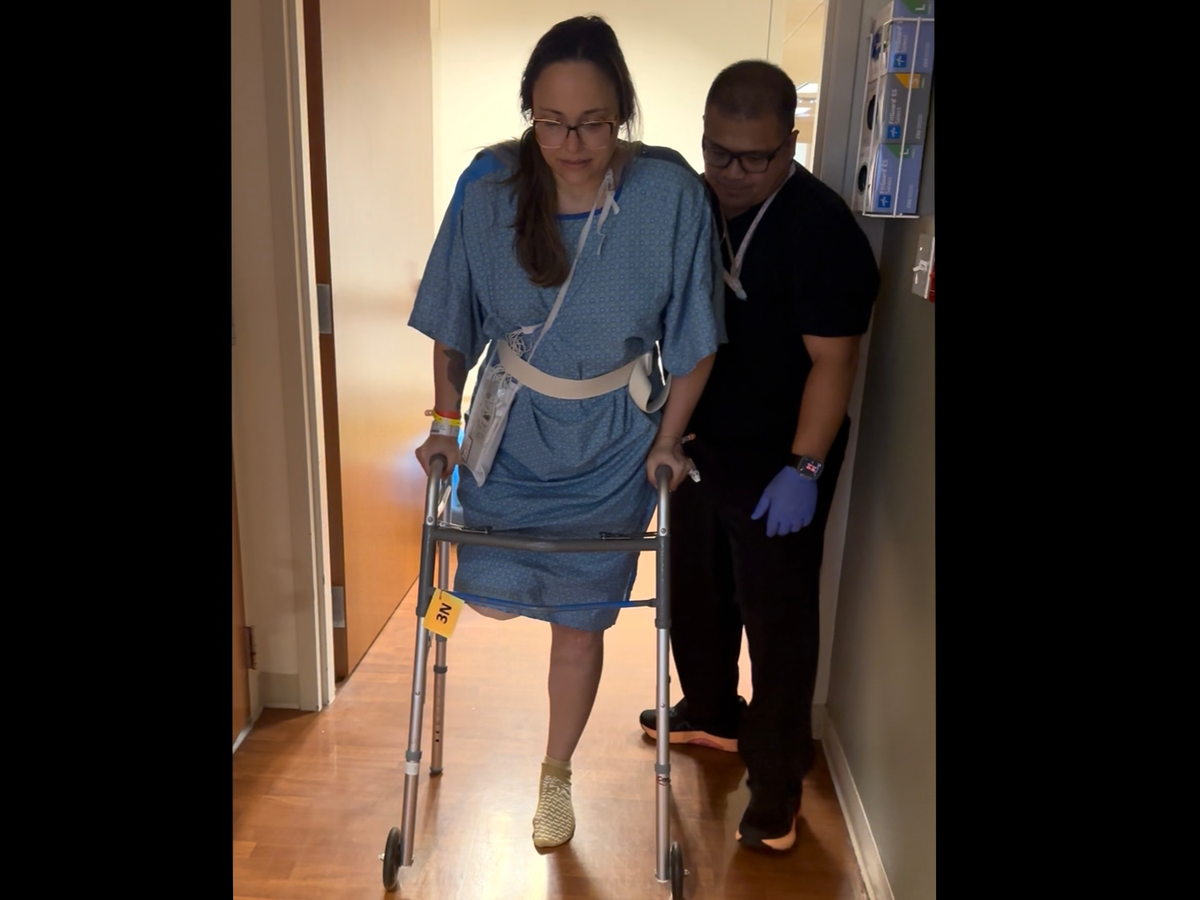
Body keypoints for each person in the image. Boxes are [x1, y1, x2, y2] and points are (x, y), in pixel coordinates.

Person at [407, 16, 723, 851]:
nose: (571, 144)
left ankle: (556, 776)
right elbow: (452, 320)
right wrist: (443, 421)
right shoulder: (489, 189)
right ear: (529, 113)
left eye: (592, 123)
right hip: (512, 432)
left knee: (581, 619)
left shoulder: (668, 196)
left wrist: (668, 441)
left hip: (615, 442)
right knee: (488, 591)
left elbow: (695, 345)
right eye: (551, 122)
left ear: (622, 112)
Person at [637, 59, 880, 854]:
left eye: (756, 158)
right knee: (693, 588)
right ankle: (710, 711)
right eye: (718, 152)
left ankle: (776, 787)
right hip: (696, 441)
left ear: (791, 143)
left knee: (776, 619)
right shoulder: (693, 204)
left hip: (780, 457)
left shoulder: (822, 233)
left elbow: (834, 362)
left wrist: (805, 469)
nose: (733, 173)